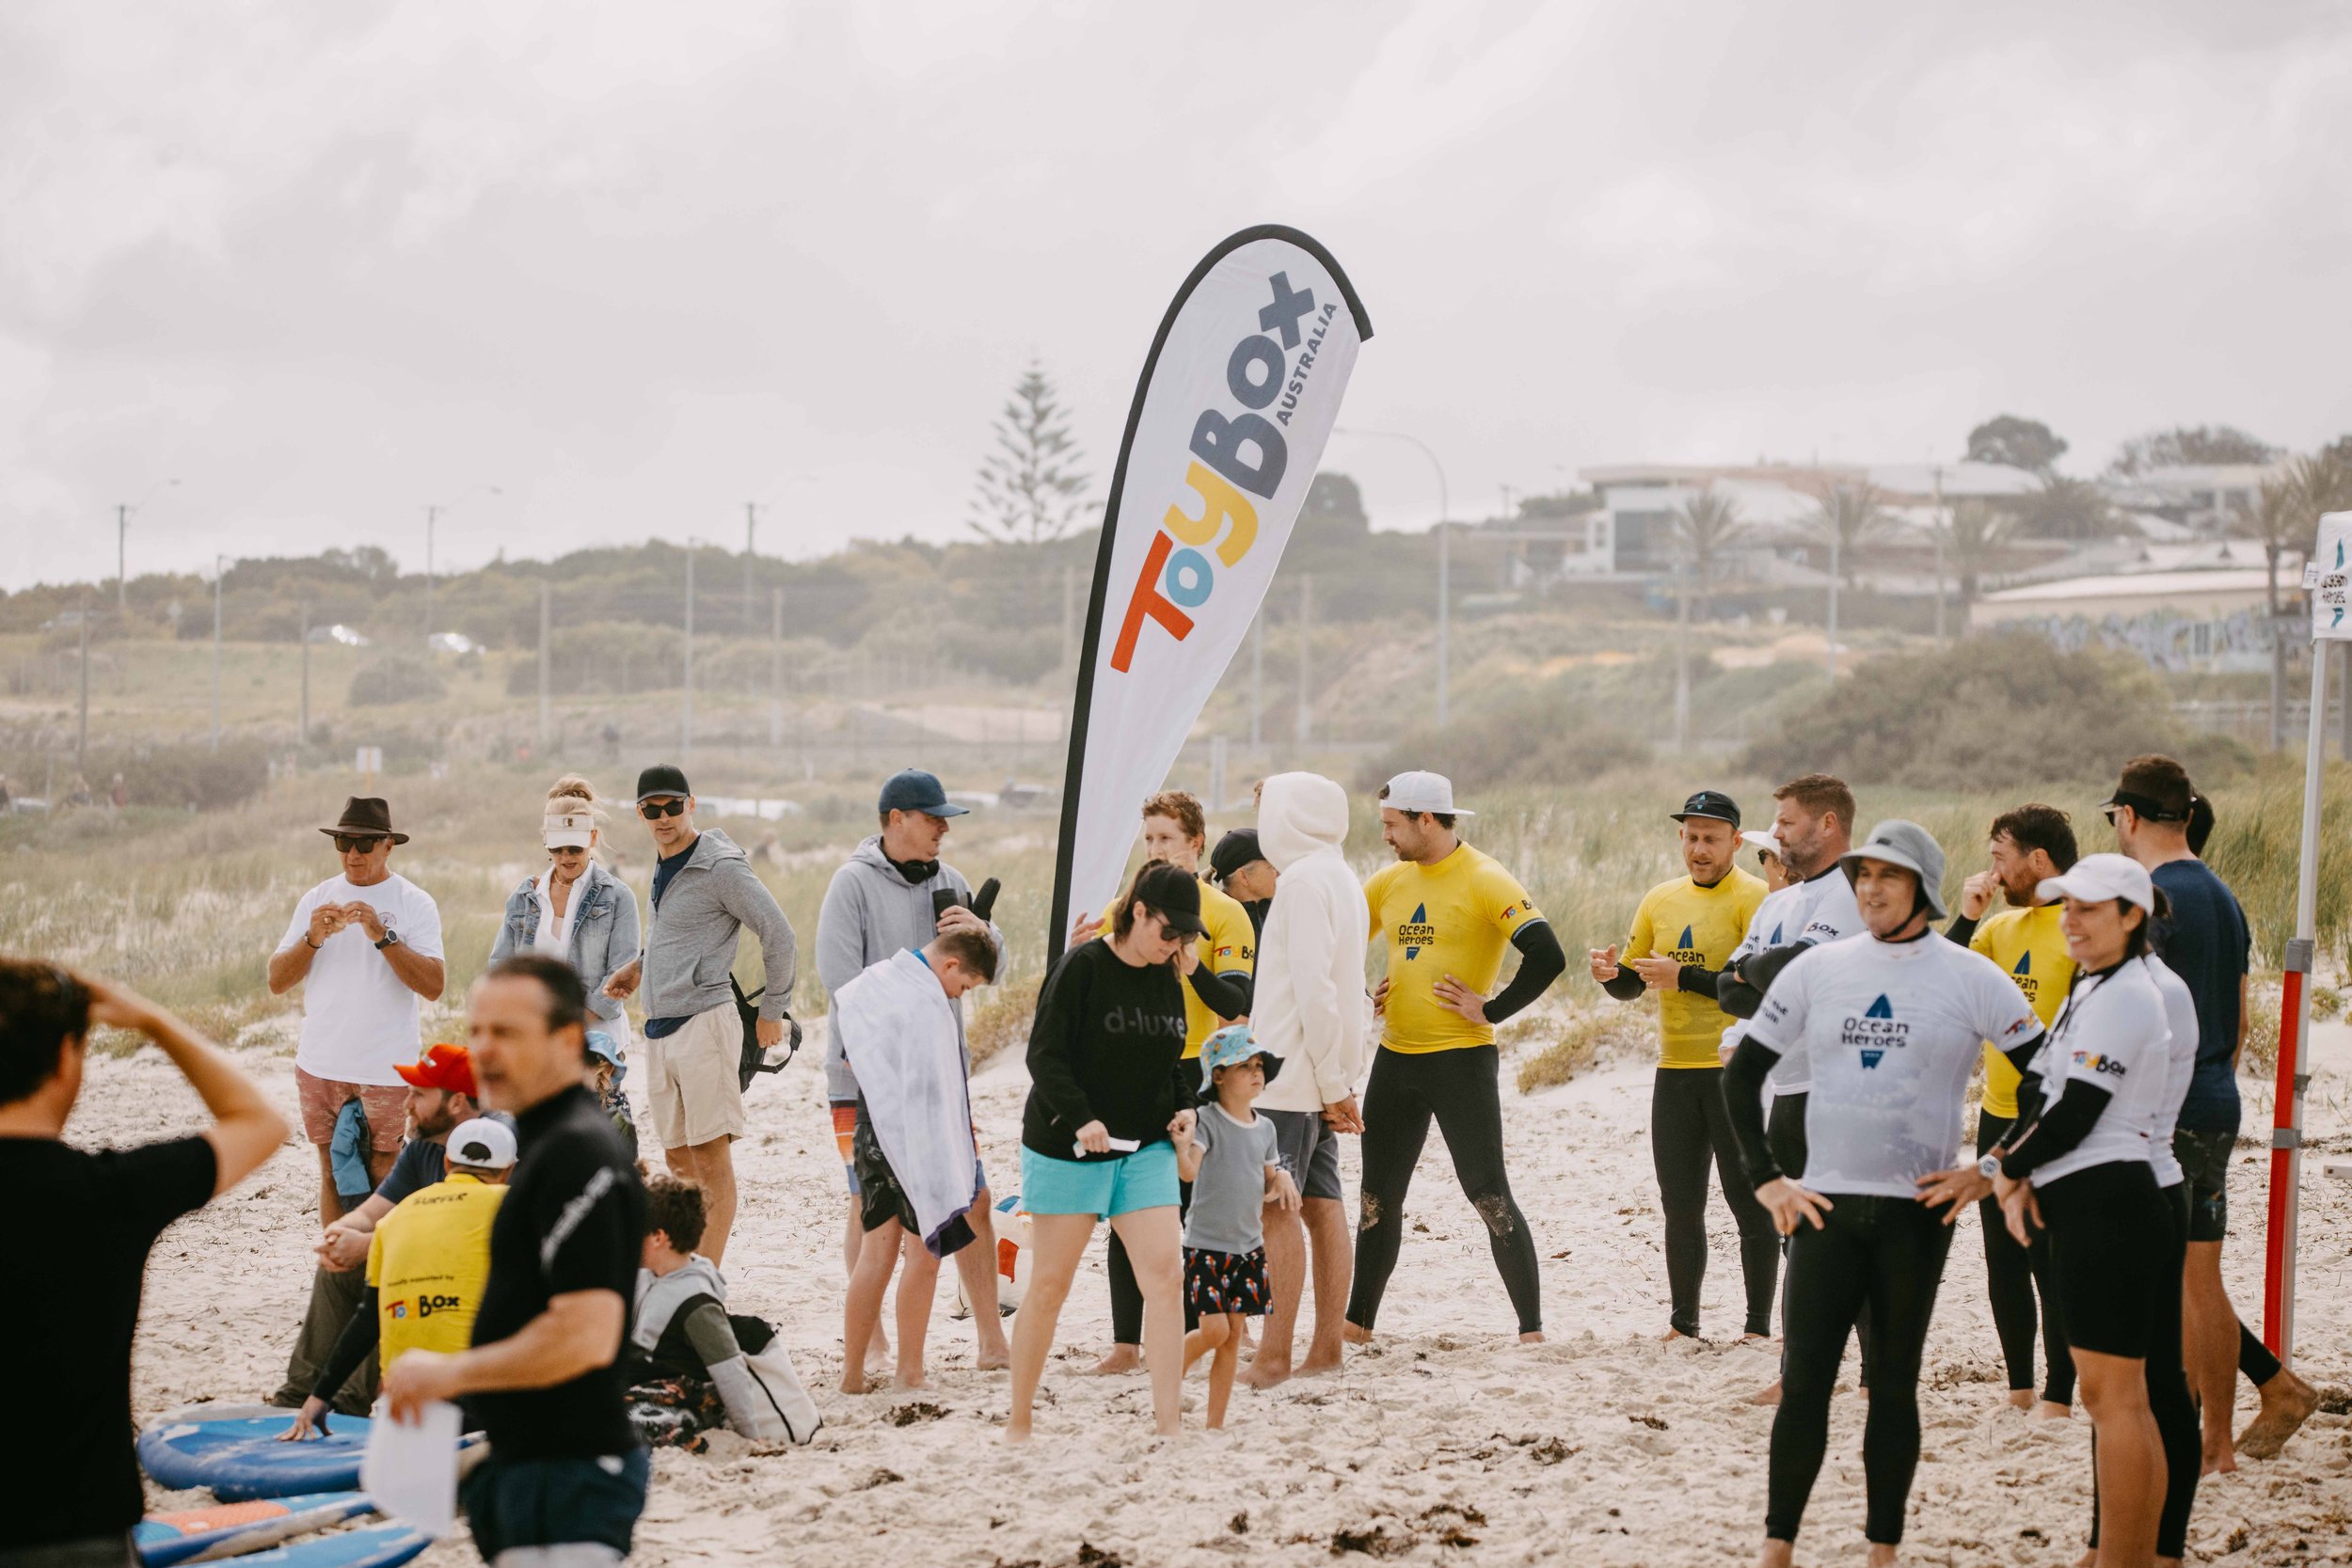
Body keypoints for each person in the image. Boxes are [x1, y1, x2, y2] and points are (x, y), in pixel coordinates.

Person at [1722, 821, 2049, 1568]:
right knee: (1805, 1382)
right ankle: (1778, 1546)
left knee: (1894, 1385)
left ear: (1923, 890)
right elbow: (1741, 1074)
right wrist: (1767, 1178)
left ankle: (1883, 1549)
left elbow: (2049, 1077)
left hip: (1918, 1210)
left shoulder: (1969, 975)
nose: (1869, 886)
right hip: (1826, 1204)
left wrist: (1993, 1167)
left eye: (1888, 876)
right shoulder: (1819, 968)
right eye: (1863, 873)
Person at [0, 960, 287, 1563]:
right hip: (76, 1533)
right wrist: (154, 1020)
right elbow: (260, 1123)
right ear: (65, 1063)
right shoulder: (107, 1195)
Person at [383, 954, 650, 1568]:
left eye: (506, 1032)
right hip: (532, 1462)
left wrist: (450, 1374)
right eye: (476, 1030)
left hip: (572, 1472)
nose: (484, 1049)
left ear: (565, 1039)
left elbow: (583, 1335)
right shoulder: (542, 1141)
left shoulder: (578, 1152)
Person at [2106, 754, 2318, 1468]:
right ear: (2188, 814)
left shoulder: (2151, 895)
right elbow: (2235, 1008)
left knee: (2182, 1279)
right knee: (2200, 1271)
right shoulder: (2224, 894)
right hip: (2216, 1092)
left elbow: (2138, 1011)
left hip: (2169, 1100)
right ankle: (2236, 1424)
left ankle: (2221, 1433)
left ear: (2129, 817)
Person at [1991, 855, 2196, 1568]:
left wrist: (2004, 1170)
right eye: (2065, 907)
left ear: (2132, 915)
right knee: (2117, 1401)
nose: (2070, 920)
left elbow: (2077, 1110)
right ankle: (2120, 1552)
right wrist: (2009, 1172)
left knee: (2120, 1403)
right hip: (2087, 1195)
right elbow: (2041, 1094)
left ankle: (2129, 1558)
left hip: (2112, 1199)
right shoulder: (2095, 980)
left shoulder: (2131, 993)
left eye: (2087, 908)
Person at [1352, 770, 1566, 1346]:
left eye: (1393, 825)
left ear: (1426, 819)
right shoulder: (1389, 883)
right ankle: (1357, 1326)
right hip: (1395, 1061)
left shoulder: (1485, 878)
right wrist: (1361, 990)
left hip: (1461, 1063)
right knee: (1376, 1198)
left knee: (1488, 1194)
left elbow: (1548, 954)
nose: (1387, 837)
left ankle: (1531, 1332)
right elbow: (1338, 940)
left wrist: (1491, 1010)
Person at [817, 768, 1007, 1376]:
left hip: (939, 1079)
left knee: (970, 1197)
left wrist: (983, 931)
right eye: (933, 819)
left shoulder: (951, 881)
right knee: (869, 1210)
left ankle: (990, 1338)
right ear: (896, 819)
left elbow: (985, 966)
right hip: (863, 1079)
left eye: (946, 820)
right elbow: (841, 984)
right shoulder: (851, 884)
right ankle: (869, 1342)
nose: (943, 830)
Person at [1006, 862, 1200, 1442]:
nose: (1176, 946)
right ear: (1138, 911)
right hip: (1068, 1148)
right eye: (1170, 932)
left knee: (1166, 1280)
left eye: (1185, 938)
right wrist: (1082, 1116)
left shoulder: (1167, 976)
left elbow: (1171, 1063)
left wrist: (1186, 1106)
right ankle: (1019, 1421)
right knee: (1050, 1286)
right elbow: (1044, 1056)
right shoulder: (1083, 968)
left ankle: (1169, 1425)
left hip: (1144, 1151)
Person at [1065, 789, 1255, 1376]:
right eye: (1148, 839)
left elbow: (1238, 1004)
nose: (1155, 849)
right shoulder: (1130, 906)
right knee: (1130, 1210)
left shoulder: (1225, 914)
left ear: (1196, 844)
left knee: (1209, 1210)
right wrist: (1078, 953)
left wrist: (1192, 963)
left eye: (1166, 839)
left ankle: (1218, 1329)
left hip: (1201, 1068)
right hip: (1138, 1068)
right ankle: (1127, 1344)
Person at [1590, 788, 1773, 1343]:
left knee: (1748, 1200)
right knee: (1681, 1204)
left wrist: (1683, 976)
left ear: (1736, 842)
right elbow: (1635, 981)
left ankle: (1758, 1327)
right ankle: (1683, 1323)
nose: (1699, 849)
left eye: (1711, 839)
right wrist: (1609, 977)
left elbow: (1752, 987)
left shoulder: (1758, 898)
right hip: (1674, 1072)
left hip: (1734, 1070)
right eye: (1691, 838)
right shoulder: (1659, 899)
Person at [599, 765, 795, 1269]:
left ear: (691, 805)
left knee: (710, 1160)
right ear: (639, 813)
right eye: (651, 809)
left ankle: (704, 1280)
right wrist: (639, 967)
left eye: (671, 806)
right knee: (677, 1160)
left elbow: (779, 933)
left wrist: (772, 1012)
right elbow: (681, 933)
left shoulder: (720, 866)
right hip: (661, 1030)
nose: (662, 818)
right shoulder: (663, 863)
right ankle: (685, 1270)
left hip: (706, 1023)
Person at [1709, 773, 1865, 1405]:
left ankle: (1858, 1367)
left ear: (1828, 824)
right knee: (1794, 1231)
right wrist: (1761, 970)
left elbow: (1796, 966)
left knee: (1844, 1232)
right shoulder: (1777, 903)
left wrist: (1763, 971)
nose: (1776, 834)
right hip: (1782, 1083)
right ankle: (1800, 1368)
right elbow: (1727, 986)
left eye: (1788, 822)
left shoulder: (1851, 889)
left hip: (1834, 1081)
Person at [1940, 803, 2081, 1420]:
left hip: (2054, 1116)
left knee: (2050, 1256)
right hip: (1998, 1112)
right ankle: (2020, 1386)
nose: (1991, 871)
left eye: (2001, 858)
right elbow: (1941, 980)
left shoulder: (2080, 927)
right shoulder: (1998, 929)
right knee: (2003, 1256)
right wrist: (1968, 916)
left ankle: (2058, 1393)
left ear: (2039, 860)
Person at [271, 1041, 487, 1416]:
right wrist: (340, 1234)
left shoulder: (490, 1152)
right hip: (427, 1272)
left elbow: (456, 1243)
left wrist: (370, 1245)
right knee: (339, 1271)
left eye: (418, 1095)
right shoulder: (424, 1149)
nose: (406, 1104)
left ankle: (345, 1406)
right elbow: (372, 1211)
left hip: (469, 1296)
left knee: (397, 1278)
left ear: (456, 1103)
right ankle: (296, 1396)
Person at [1244, 771, 1369, 1388]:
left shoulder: (1299, 881)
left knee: (1277, 1208)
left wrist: (1330, 1082)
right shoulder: (1344, 876)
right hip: (1321, 1075)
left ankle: (1273, 1355)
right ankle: (1325, 1349)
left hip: (1291, 1077)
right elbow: (1351, 993)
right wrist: (1341, 1078)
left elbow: (1316, 990)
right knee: (1323, 1206)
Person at [834, 927, 999, 1394]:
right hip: (912, 1140)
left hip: (870, 1126)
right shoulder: (927, 1001)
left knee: (874, 1254)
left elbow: (854, 1059)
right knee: (925, 1253)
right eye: (963, 986)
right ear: (950, 965)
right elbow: (935, 1090)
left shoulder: (874, 980)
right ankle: (909, 1371)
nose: (958, 995)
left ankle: (852, 1377)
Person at [266, 797, 447, 1224]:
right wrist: (312, 938)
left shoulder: (415, 902)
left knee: (385, 1168)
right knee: (331, 1172)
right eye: (344, 842)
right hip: (320, 1062)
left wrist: (383, 937)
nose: (353, 853)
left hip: (387, 1064)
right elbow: (276, 981)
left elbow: (434, 986)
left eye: (365, 844)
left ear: (388, 845)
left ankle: (382, 1274)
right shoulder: (317, 898)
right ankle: (337, 1274)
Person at [280, 1117, 516, 1442]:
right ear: (510, 1172)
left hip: (406, 1405)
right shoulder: (513, 1207)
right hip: (479, 1401)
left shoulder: (395, 1219)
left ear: (447, 1163)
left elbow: (367, 1319)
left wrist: (319, 1397)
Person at [625, 1177, 820, 1449]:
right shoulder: (647, 1276)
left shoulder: (697, 1302)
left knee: (627, 1423)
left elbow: (731, 1372)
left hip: (680, 1396)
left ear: (659, 1237)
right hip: (636, 1384)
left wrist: (750, 1435)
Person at [1174, 1025, 1300, 1429]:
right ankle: (1167, 1375)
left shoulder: (1265, 1128)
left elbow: (1267, 1176)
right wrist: (1180, 1147)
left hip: (1249, 1249)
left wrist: (1281, 1177)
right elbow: (1190, 1172)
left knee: (1231, 1340)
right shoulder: (1207, 1121)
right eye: (1244, 1065)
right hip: (1206, 1246)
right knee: (1213, 1331)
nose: (1256, 1072)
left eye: (1259, 1065)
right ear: (1218, 1076)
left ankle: (1215, 1423)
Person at [489, 776, 641, 1057]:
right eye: (557, 849)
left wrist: (569, 1028)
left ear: (593, 838)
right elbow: (500, 968)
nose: (566, 856)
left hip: (597, 1047)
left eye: (575, 848)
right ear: (545, 842)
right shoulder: (524, 897)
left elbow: (619, 976)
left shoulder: (618, 897)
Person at [1208, 827, 1279, 942]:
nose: (1278, 873)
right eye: (1272, 867)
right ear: (1243, 876)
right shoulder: (1217, 923)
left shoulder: (1279, 911)